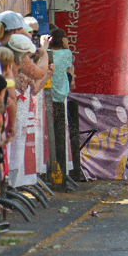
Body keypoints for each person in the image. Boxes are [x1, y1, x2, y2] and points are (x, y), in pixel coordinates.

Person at [49, 28, 75, 190]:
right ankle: (61, 173)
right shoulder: (66, 53)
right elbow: (69, 67)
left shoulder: (46, 53)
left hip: (48, 95)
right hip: (61, 94)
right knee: (61, 132)